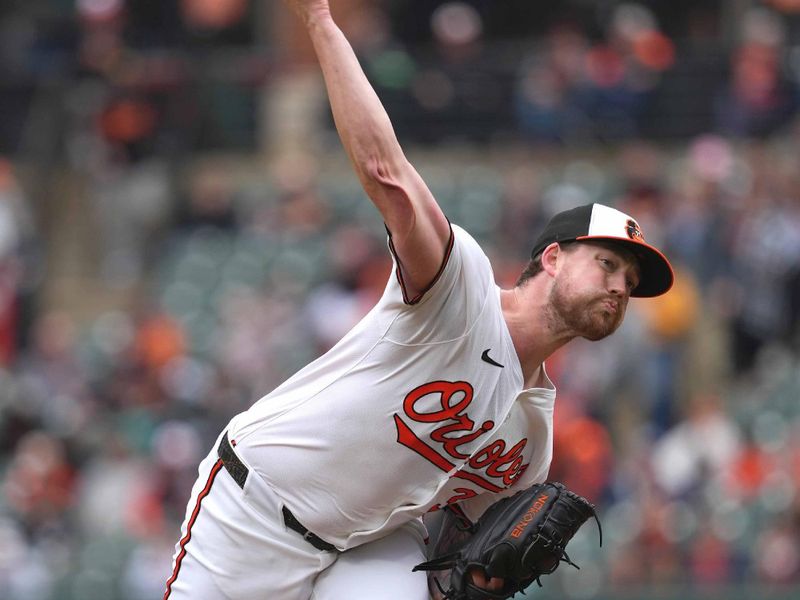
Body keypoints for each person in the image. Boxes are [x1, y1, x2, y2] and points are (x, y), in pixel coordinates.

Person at [163, 1, 674, 598]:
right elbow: (387, 172)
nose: (619, 287)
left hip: (369, 547)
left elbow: (457, 560)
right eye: (608, 264)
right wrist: (320, 24)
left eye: (631, 284)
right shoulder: (462, 292)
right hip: (256, 507)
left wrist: (474, 582)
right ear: (554, 258)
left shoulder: (532, 440)